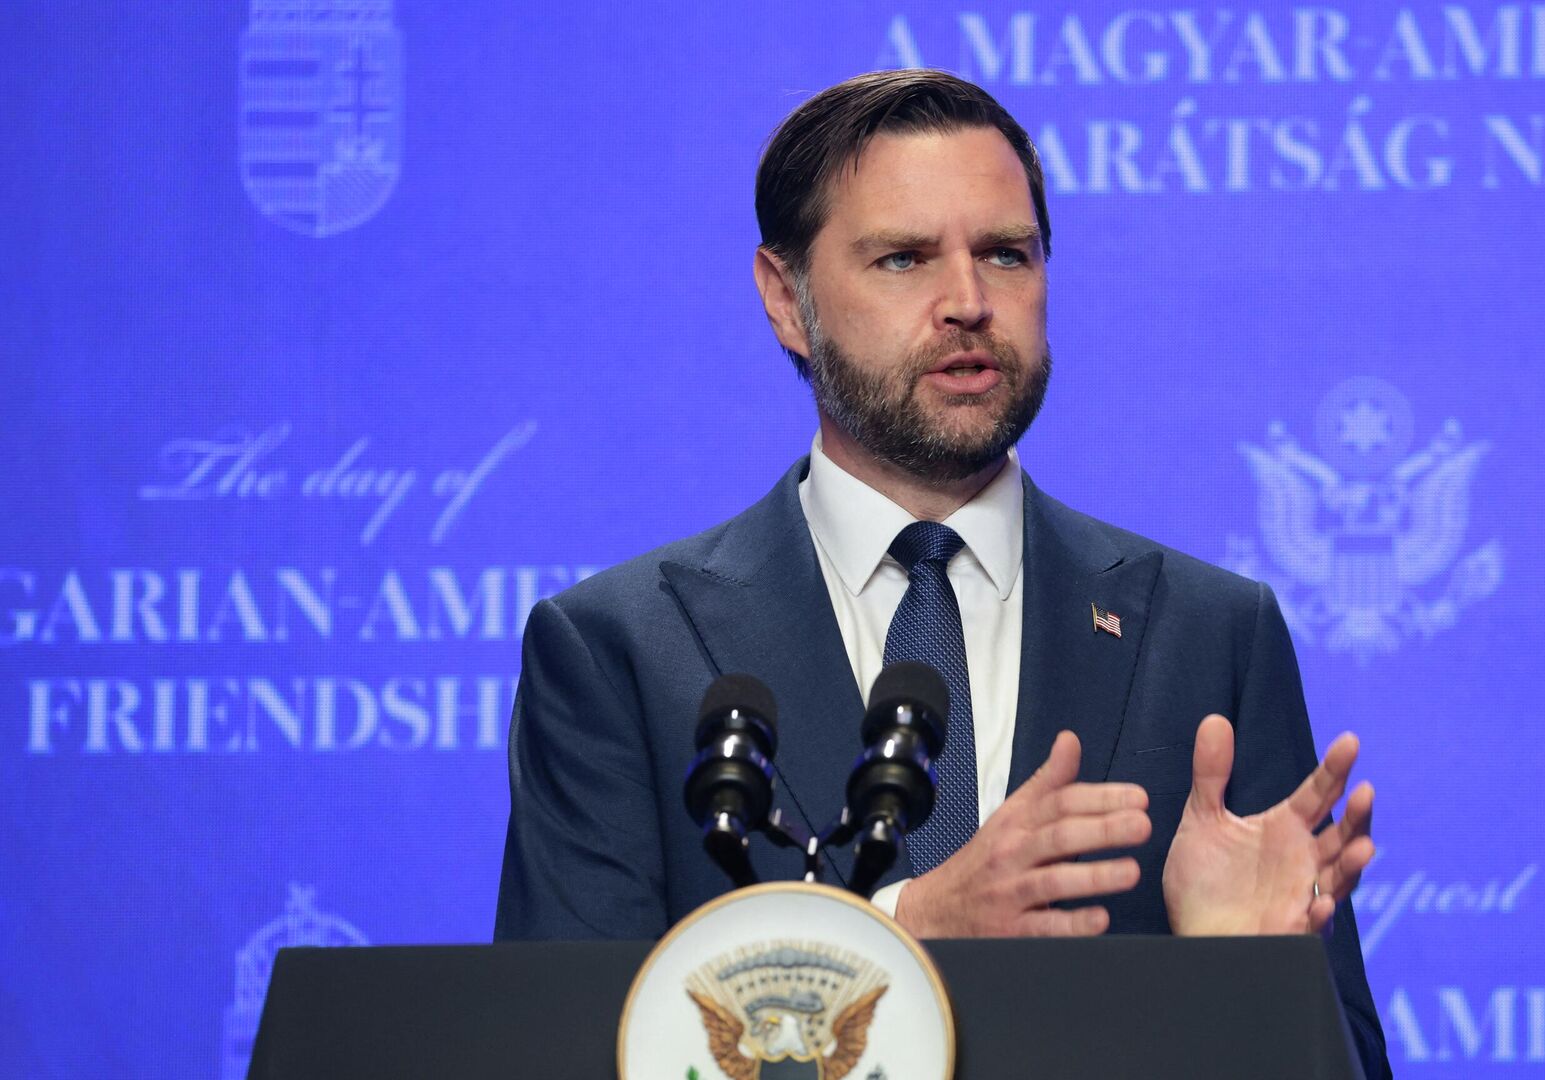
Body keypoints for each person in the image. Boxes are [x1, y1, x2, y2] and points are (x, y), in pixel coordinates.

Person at [495, 68, 1389, 1076]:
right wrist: (906, 933)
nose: (968, 303)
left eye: (1006, 254)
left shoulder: (1210, 634)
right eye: (904, 258)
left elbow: (1348, 1059)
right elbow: (566, 1053)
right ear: (786, 300)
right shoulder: (619, 651)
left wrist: (1248, 984)